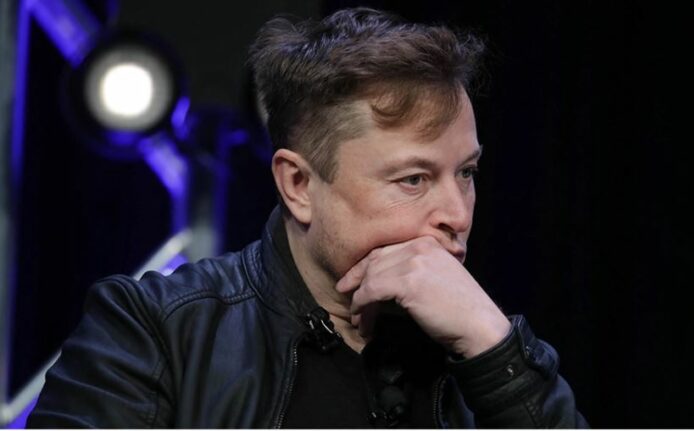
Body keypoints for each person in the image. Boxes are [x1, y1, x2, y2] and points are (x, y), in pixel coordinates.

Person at [28, 7, 587, 428]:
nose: (457, 214)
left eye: (466, 172)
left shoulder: (485, 348)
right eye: (413, 179)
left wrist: (494, 351)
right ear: (298, 185)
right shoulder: (154, 333)